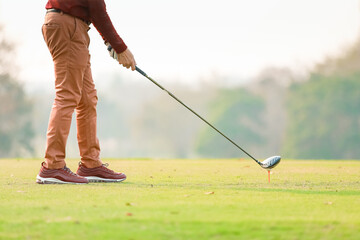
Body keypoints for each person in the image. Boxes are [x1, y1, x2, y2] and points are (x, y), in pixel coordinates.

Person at [36, 0, 136, 184]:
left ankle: (91, 165)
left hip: (71, 25)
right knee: (67, 96)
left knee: (87, 99)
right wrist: (120, 47)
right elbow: (98, 9)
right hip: (68, 25)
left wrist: (111, 43)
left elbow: (94, 10)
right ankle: (53, 166)